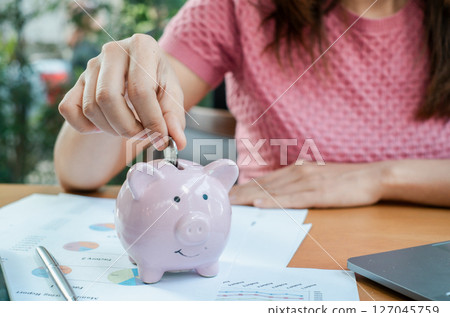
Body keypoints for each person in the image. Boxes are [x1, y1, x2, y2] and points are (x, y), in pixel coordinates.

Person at [54, 0, 450, 208]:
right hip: (274, 256)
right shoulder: (236, 7)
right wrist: (119, 84)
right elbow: (80, 173)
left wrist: (378, 178)